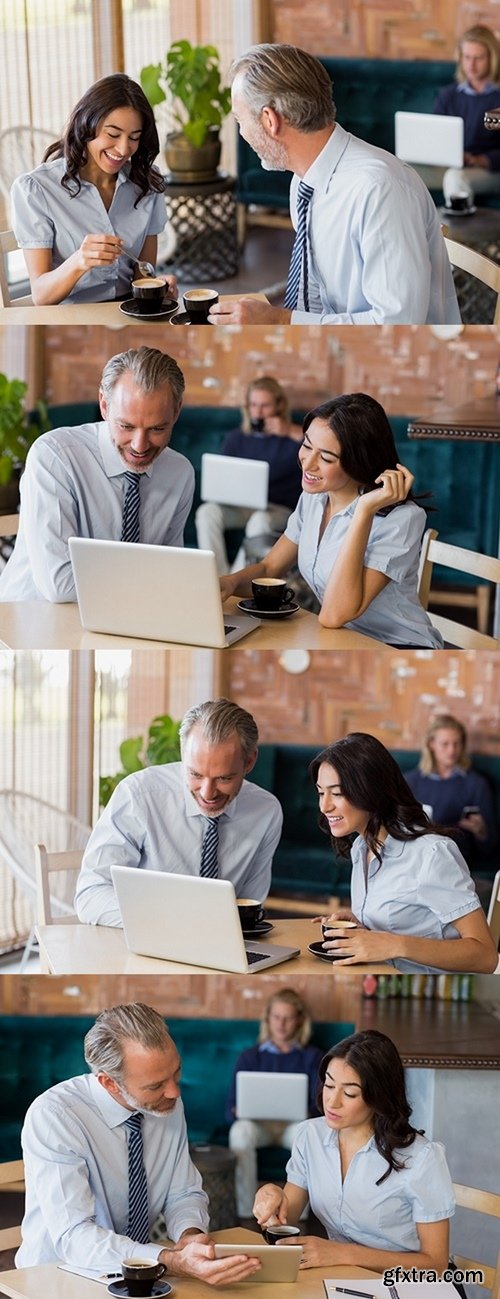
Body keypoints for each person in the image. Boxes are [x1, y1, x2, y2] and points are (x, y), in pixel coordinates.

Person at [208, 44, 460, 326]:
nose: (242, 133)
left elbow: (398, 325)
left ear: (270, 120)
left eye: (240, 121)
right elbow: (315, 299)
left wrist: (280, 322)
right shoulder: (303, 182)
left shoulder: (379, 190)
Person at [17, 1001, 261, 1285]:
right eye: (155, 1085)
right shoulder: (55, 1116)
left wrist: (189, 1237)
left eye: (176, 1073)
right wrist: (169, 1260)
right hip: (55, 1277)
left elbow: (182, 1192)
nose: (174, 1092)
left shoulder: (167, 1104)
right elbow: (74, 1237)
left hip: (137, 1274)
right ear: (109, 1083)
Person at [219, 393, 443, 648]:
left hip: (398, 647)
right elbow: (270, 569)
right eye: (306, 445)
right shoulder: (314, 498)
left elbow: (334, 614)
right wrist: (229, 582)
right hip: (342, 641)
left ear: (359, 461)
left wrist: (363, 511)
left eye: (325, 458)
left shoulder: (401, 519)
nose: (308, 464)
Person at [0, 347, 194, 603]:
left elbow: (170, 568)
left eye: (157, 428)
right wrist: (152, 579)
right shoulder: (54, 457)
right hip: (32, 620)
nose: (140, 445)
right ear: (104, 405)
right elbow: (60, 586)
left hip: (123, 619)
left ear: (176, 411)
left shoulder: (180, 473)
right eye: (126, 426)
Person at [253, 1029, 455, 1274]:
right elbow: (286, 1220)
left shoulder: (421, 1158)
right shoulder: (310, 1136)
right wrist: (270, 1197)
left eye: (349, 1093)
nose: (332, 1101)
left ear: (378, 1096)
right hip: (343, 1281)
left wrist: (341, 1253)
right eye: (329, 1084)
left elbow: (436, 1263)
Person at [75, 698, 283, 926]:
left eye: (224, 778)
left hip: (218, 948)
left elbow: (248, 905)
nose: (208, 793)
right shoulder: (139, 796)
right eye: (195, 774)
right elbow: (91, 895)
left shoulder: (266, 812)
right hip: (143, 942)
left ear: (249, 762)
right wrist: (173, 921)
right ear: (184, 754)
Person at [310, 733, 498, 974]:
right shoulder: (361, 847)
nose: (324, 806)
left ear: (370, 789)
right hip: (384, 984)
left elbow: (485, 956)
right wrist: (364, 926)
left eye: (336, 793)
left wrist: (394, 944)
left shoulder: (431, 853)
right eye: (320, 792)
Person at [10, 73, 175, 306]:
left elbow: (143, 274)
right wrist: (80, 261)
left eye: (134, 137)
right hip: (72, 319)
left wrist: (158, 287)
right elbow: (41, 295)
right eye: (113, 134)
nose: (123, 148)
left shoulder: (147, 183)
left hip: (130, 312)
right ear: (87, 123)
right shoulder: (37, 190)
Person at [226, 989, 323, 1218]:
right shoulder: (250, 1057)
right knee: (239, 1132)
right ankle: (246, 1212)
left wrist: (306, 1111)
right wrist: (238, 1111)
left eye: (288, 1018)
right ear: (268, 1019)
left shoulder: (313, 1057)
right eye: (276, 1017)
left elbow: (320, 1105)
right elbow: (229, 1107)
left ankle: (299, 1214)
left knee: (309, 1134)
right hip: (260, 1127)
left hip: (294, 1127)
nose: (281, 1024)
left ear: (299, 1020)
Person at [195, 376, 302, 574]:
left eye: (265, 405)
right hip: (241, 507)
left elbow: (318, 446)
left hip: (276, 509)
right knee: (206, 513)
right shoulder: (236, 438)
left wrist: (289, 430)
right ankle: (215, 578)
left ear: (279, 405)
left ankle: (235, 582)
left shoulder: (292, 437)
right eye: (253, 405)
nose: (258, 412)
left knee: (259, 521)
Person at [418, 27, 500, 208]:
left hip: (489, 169)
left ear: (492, 59)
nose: (471, 65)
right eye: (467, 57)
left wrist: (481, 160)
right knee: (401, 170)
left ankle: (457, 236)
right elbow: (436, 137)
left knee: (455, 177)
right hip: (452, 164)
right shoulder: (449, 95)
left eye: (478, 58)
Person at [405, 714, 498, 869]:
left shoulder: (476, 784)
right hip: (417, 858)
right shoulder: (410, 781)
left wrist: (481, 832)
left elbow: (491, 846)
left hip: (456, 860)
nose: (452, 750)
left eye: (457, 744)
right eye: (445, 744)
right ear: (431, 744)